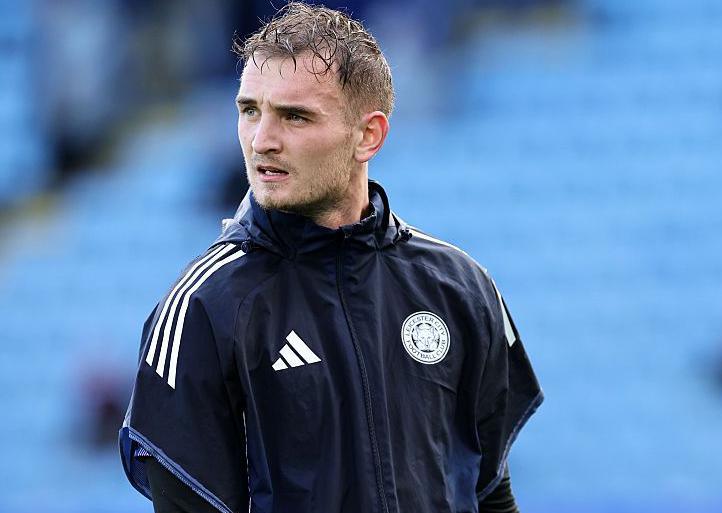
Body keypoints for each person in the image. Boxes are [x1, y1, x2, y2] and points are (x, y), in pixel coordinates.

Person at [118, 3, 543, 513]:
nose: (262, 141)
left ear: (369, 135)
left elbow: (489, 491)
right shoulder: (203, 307)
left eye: (294, 116)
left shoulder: (461, 285)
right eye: (250, 111)